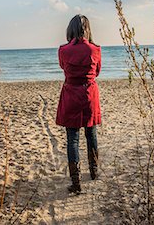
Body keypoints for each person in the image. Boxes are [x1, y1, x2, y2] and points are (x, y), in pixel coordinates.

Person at [56, 14, 101, 194]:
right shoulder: (95, 49)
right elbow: (97, 72)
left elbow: (63, 67)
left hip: (71, 94)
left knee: (72, 138)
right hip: (89, 94)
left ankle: (76, 182)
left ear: (70, 29)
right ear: (88, 29)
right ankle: (94, 172)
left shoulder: (63, 50)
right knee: (91, 133)